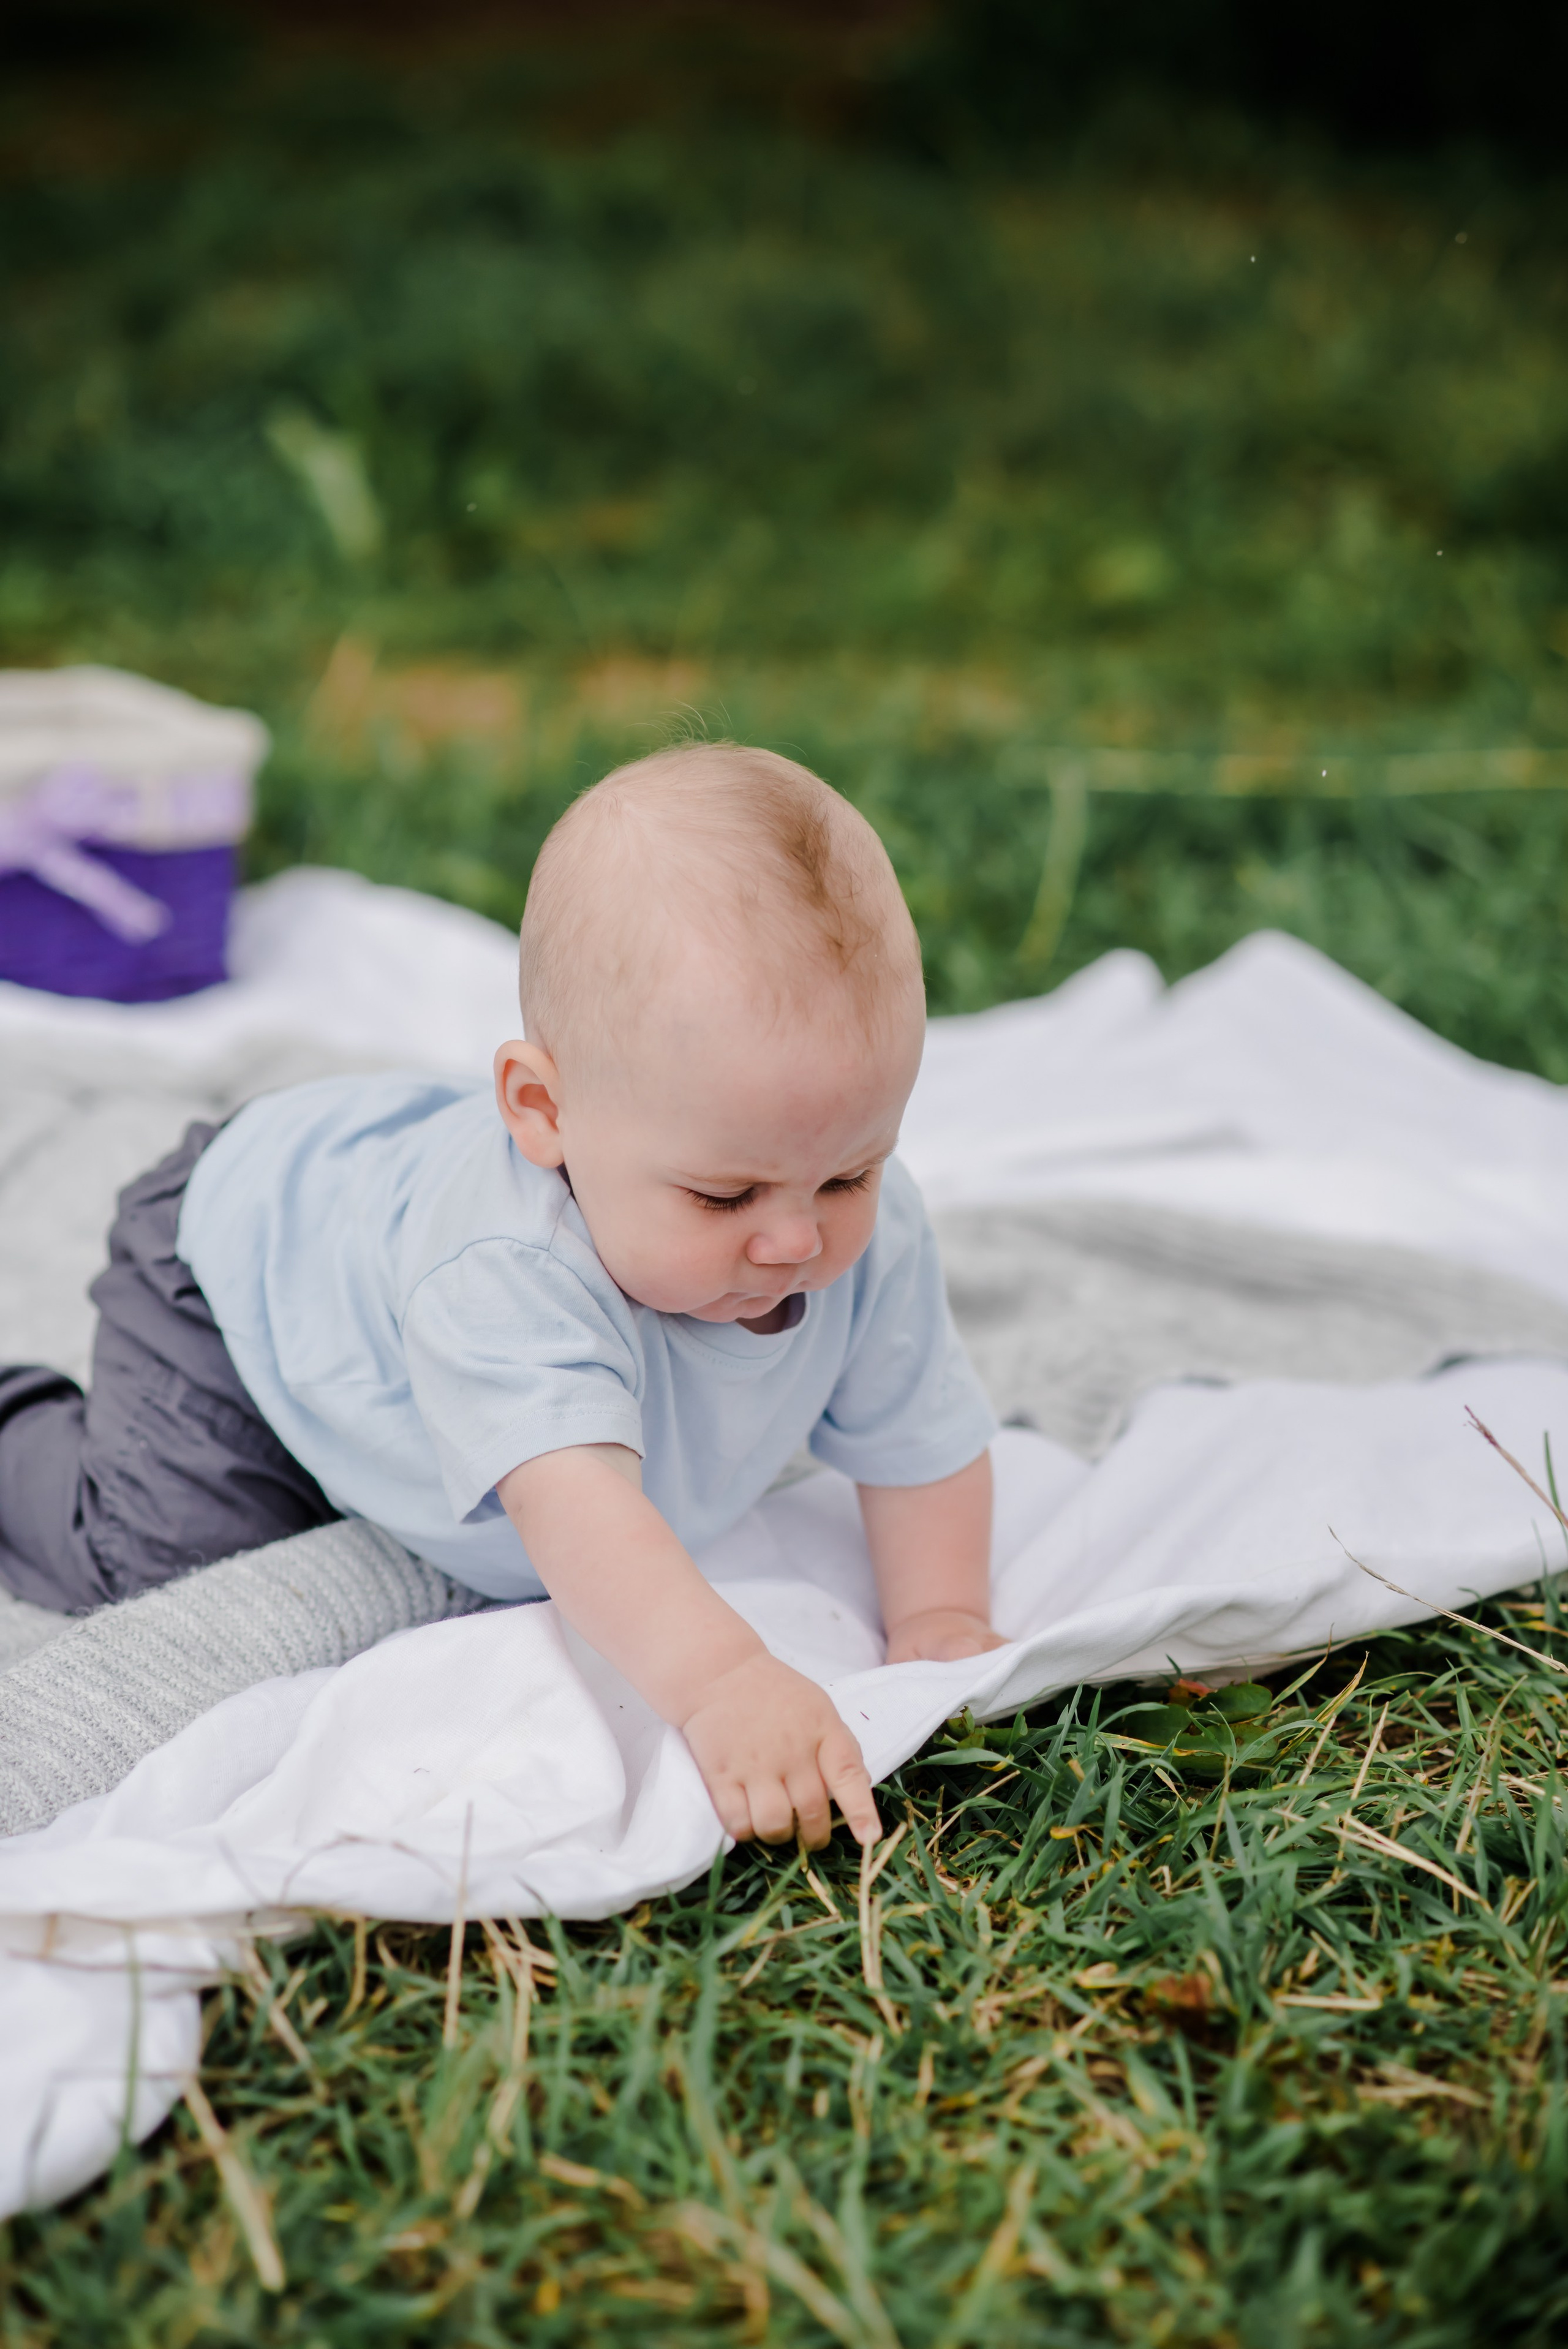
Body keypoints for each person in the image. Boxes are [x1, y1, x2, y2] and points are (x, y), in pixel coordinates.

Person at [0, 743, 1001, 1848]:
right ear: (542, 1113)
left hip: (379, 1260)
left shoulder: (859, 1220)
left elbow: (924, 1438)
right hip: (234, 1283)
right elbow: (580, 1517)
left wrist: (942, 1616)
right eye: (725, 1195)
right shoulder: (508, 1271)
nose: (795, 1238)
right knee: (163, 1554)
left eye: (850, 1173)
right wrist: (723, 1684)